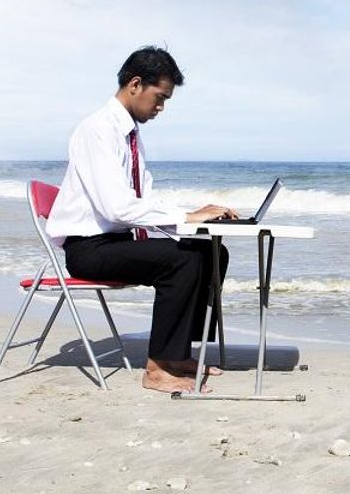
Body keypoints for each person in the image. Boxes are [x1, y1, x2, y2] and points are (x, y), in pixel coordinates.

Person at [46, 46, 236, 393]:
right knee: (181, 262)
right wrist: (186, 216)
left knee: (211, 252)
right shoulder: (98, 130)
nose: (161, 107)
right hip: (88, 249)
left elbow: (143, 202)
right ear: (135, 84)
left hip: (116, 243)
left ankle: (178, 353)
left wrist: (198, 217)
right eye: (159, 97)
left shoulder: (130, 136)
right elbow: (117, 208)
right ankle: (158, 369)